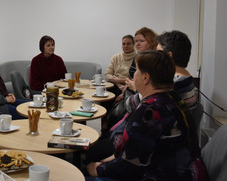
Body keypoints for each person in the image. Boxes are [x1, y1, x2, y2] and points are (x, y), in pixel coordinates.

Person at [86, 51, 207, 181]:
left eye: (136, 71)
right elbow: (136, 151)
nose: (133, 75)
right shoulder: (173, 99)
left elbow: (129, 168)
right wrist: (111, 160)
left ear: (146, 78)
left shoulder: (150, 111)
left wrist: (97, 168)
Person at [156, 30, 199, 112]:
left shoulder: (175, 83)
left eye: (158, 53)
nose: (155, 57)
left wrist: (136, 87)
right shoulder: (186, 78)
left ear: (169, 56)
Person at [123, 27, 158, 95]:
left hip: (141, 97)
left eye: (142, 41)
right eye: (136, 41)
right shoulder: (137, 57)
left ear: (151, 42)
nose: (138, 44)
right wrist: (123, 92)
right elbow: (131, 77)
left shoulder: (155, 60)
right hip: (130, 94)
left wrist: (134, 87)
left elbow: (152, 92)